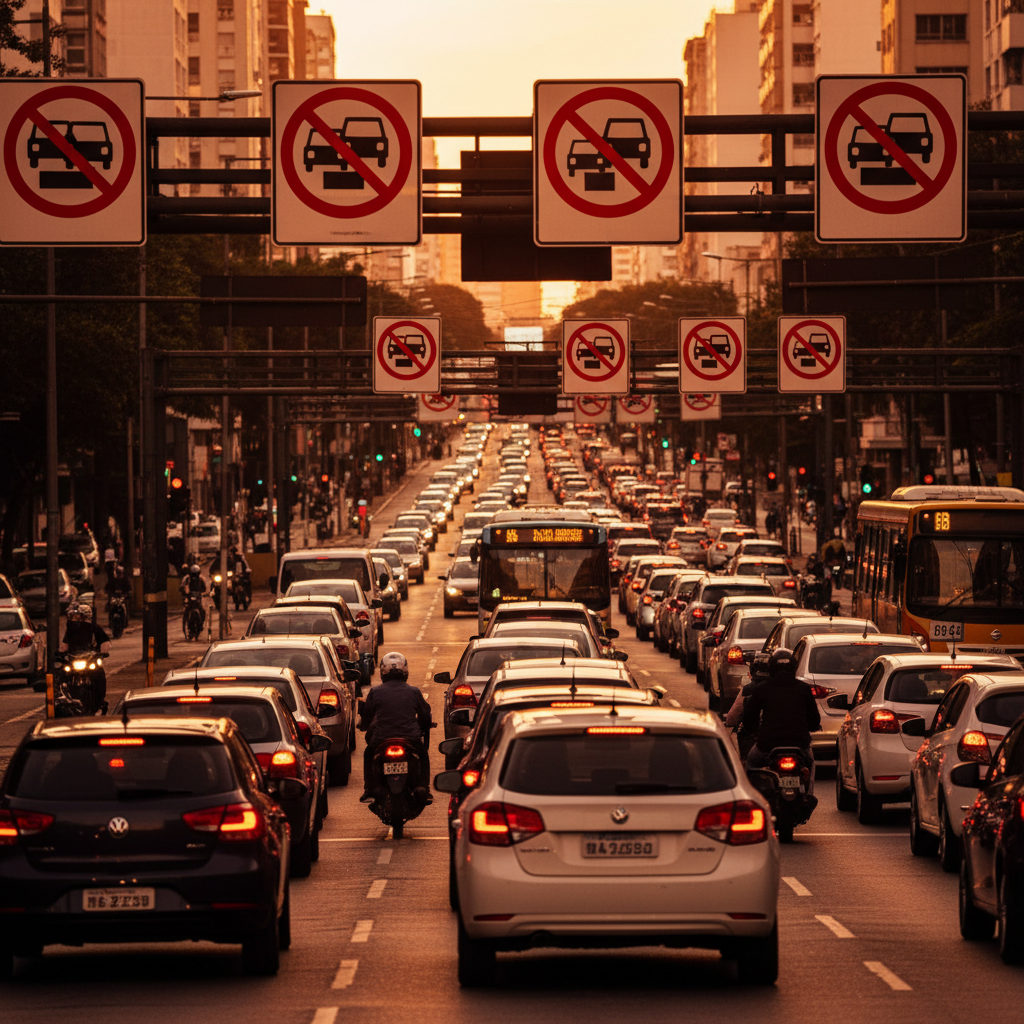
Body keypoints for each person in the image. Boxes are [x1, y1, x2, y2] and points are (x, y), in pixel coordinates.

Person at [741, 647, 821, 794]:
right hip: (800, 744)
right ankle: (808, 794)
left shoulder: (761, 689)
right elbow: (814, 719)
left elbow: (749, 719)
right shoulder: (803, 689)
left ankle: (753, 797)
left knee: (751, 763)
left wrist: (749, 729)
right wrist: (813, 727)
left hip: (767, 745)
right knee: (811, 764)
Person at [358, 651, 433, 803]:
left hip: (381, 738)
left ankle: (369, 789)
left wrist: (363, 726)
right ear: (405, 672)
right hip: (411, 738)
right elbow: (425, 715)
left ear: (382, 672)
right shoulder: (414, 692)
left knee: (368, 753)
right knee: (423, 755)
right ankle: (424, 786)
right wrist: (424, 726)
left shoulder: (375, 692)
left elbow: (367, 717)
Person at [59, 602, 111, 710]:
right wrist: (61, 653)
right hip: (74, 657)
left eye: (79, 615)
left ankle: (99, 698)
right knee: (63, 673)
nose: (77, 617)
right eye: (76, 615)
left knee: (99, 674)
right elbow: (64, 645)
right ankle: (62, 695)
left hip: (90, 658)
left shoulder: (94, 628)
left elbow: (105, 641)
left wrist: (102, 653)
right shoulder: (72, 629)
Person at [181, 563, 207, 629]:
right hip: (189, 598)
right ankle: (185, 624)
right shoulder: (187, 579)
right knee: (186, 610)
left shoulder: (201, 579)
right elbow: (182, 587)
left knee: (202, 611)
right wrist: (185, 593)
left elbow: (204, 589)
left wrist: (203, 593)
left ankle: (201, 624)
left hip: (198, 599)